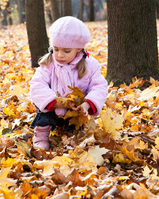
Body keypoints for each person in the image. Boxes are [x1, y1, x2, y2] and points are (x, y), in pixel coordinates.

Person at [30, 16, 108, 150]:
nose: (60, 55)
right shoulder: (49, 64)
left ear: (79, 49)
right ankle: (41, 136)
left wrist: (87, 104)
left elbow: (99, 86)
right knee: (44, 115)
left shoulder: (90, 65)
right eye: (56, 49)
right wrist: (56, 102)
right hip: (53, 107)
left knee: (76, 126)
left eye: (66, 51)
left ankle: (72, 134)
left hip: (77, 110)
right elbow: (37, 84)